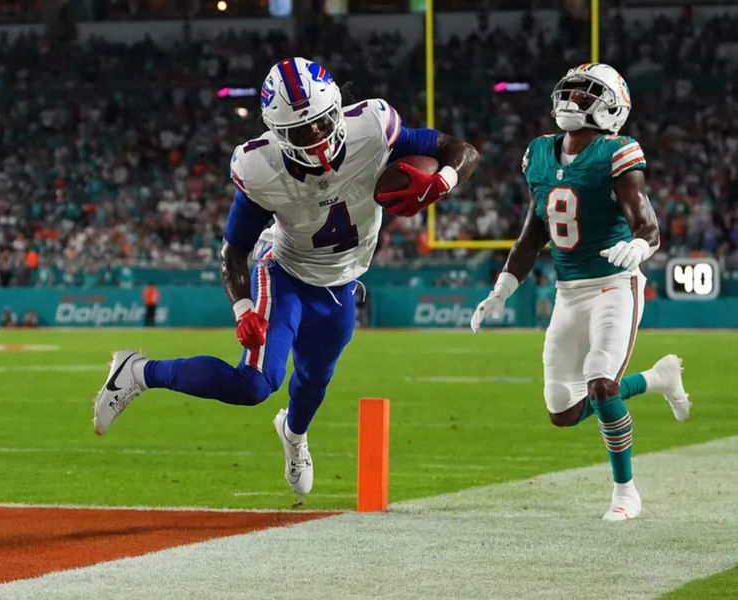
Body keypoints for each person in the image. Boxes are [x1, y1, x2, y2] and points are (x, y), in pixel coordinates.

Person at [92, 57, 481, 495]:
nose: (315, 136)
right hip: (285, 273)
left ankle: (294, 436)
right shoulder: (262, 169)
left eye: (320, 122)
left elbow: (460, 149)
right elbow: (233, 250)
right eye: (301, 131)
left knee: (315, 380)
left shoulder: (373, 128)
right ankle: (139, 371)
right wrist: (242, 308)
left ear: (336, 110)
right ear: (278, 133)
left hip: (342, 283)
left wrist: (444, 181)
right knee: (255, 384)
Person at [470, 63, 690, 521]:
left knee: (600, 381)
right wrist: (503, 288)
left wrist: (638, 245)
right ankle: (657, 379)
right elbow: (534, 234)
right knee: (563, 410)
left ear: (611, 108)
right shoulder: (540, 153)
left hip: (614, 283)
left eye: (586, 93)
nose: (573, 99)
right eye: (569, 90)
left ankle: (625, 491)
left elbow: (646, 222)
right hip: (569, 291)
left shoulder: (618, 151)